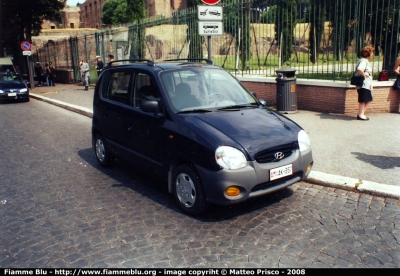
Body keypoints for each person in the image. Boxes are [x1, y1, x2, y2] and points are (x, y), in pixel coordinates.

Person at [355, 46, 374, 121]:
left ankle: (361, 113)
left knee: (368, 99)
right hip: (363, 84)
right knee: (363, 100)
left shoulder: (364, 61)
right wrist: (364, 75)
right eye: (371, 53)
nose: (372, 55)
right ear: (368, 54)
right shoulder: (363, 61)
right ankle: (360, 114)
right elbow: (360, 69)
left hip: (366, 84)